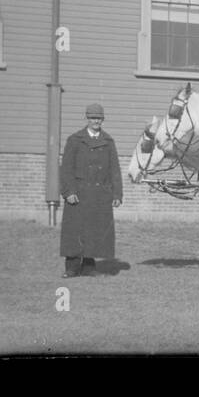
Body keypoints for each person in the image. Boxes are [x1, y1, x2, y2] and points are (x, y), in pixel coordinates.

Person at [60, 103, 123, 277]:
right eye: (92, 118)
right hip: (78, 193)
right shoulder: (75, 140)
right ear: (87, 119)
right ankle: (71, 268)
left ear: (103, 120)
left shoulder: (108, 142)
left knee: (95, 230)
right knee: (75, 231)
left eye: (99, 118)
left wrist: (117, 194)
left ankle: (89, 266)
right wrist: (69, 192)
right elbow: (66, 168)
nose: (96, 121)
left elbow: (114, 170)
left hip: (100, 194)